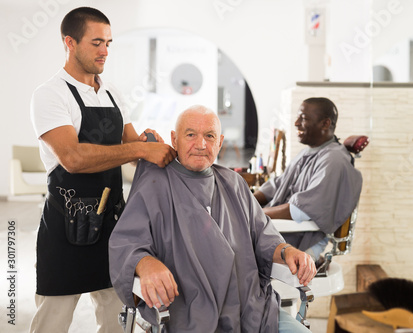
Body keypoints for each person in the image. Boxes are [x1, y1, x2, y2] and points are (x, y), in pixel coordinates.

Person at [29, 7, 176, 333]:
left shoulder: (112, 94)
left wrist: (148, 144)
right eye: (96, 42)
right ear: (70, 42)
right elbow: (73, 158)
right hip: (66, 228)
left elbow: (134, 152)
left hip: (113, 228)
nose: (105, 51)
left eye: (108, 42)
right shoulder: (50, 95)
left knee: (117, 320)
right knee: (52, 322)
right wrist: (139, 148)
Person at [109, 106, 316, 332]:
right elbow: (126, 243)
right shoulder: (154, 186)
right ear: (174, 140)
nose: (201, 145)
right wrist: (145, 263)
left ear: (220, 142)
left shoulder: (234, 183)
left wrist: (287, 251)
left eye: (209, 136)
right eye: (190, 135)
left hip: (250, 309)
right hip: (189, 314)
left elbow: (265, 238)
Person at [253, 97, 362, 261]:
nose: (296, 123)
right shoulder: (308, 152)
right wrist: (245, 201)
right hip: (280, 233)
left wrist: (254, 214)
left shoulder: (334, 160)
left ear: (325, 124)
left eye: (303, 118)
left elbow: (300, 210)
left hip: (299, 242)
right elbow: (278, 185)